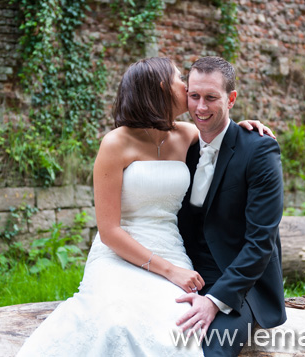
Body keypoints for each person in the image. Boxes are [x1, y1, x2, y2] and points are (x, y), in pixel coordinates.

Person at [17, 57, 273, 356]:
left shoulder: (186, 134)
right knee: (116, 322)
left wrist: (244, 129)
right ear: (163, 89)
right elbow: (110, 231)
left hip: (170, 245)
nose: (187, 86)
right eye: (181, 80)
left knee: (177, 328)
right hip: (120, 252)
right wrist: (171, 271)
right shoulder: (115, 144)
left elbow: (222, 135)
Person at [173, 56, 287, 357]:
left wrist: (214, 301)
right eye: (194, 96)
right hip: (184, 272)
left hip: (239, 283)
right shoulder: (181, 146)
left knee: (209, 352)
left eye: (211, 98)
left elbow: (261, 243)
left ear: (231, 99)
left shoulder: (259, 150)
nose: (200, 107)